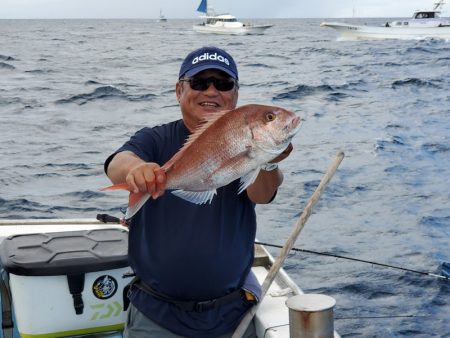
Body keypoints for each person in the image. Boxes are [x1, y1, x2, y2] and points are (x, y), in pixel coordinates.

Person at [104, 46, 294, 338]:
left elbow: (261, 195)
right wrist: (135, 171)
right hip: (157, 315)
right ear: (178, 90)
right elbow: (118, 162)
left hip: (232, 313)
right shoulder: (156, 138)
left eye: (223, 84)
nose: (211, 91)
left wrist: (268, 162)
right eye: (199, 83)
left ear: (236, 94)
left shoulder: (248, 143)